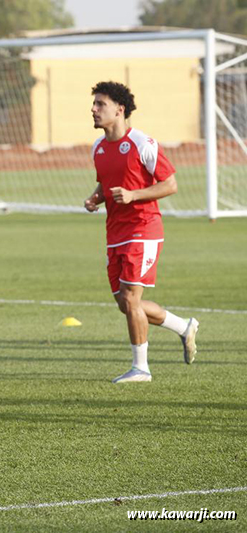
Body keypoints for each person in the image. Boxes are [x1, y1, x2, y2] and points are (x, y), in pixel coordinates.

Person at [84, 81, 199, 383]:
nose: (93, 109)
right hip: (115, 232)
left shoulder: (142, 143)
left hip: (143, 228)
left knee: (130, 298)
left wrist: (134, 196)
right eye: (94, 104)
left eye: (100, 104)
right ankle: (183, 327)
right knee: (126, 304)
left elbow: (170, 184)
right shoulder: (97, 147)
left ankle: (141, 368)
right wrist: (96, 197)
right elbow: (107, 181)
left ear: (119, 110)